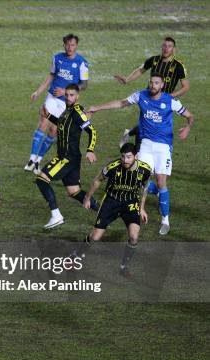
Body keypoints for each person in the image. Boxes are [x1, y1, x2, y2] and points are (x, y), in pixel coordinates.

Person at [87, 74, 194, 235]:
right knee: (137, 176)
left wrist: (187, 127)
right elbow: (121, 103)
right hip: (145, 144)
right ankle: (136, 204)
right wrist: (98, 107)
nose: (152, 85)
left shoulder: (170, 101)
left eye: (156, 83)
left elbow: (190, 116)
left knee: (160, 181)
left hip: (163, 146)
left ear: (162, 85)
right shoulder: (141, 95)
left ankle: (165, 219)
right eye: (151, 82)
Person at [77, 143, 152, 278]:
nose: (125, 160)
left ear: (136, 156)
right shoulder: (113, 167)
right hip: (111, 201)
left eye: (129, 157)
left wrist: (142, 208)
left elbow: (145, 187)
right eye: (123, 157)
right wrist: (87, 198)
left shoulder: (145, 170)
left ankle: (124, 267)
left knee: (134, 237)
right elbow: (97, 180)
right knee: (95, 236)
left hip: (130, 202)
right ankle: (75, 256)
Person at [35, 84, 99, 229]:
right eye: (67, 95)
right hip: (71, 158)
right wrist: (49, 116)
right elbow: (63, 124)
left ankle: (56, 215)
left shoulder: (77, 112)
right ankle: (103, 212)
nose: (69, 98)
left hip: (66, 158)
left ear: (77, 96)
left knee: (41, 179)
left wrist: (90, 150)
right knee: (74, 192)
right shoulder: (67, 110)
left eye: (72, 95)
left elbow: (92, 131)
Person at [26, 33, 90, 175]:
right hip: (52, 97)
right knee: (43, 122)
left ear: (76, 46)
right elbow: (51, 76)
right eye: (67, 44)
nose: (70, 47)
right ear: (64, 45)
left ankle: (38, 161)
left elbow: (84, 84)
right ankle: (31, 159)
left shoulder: (82, 63)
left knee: (54, 131)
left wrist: (66, 91)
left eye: (72, 45)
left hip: (66, 103)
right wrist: (38, 91)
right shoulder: (57, 58)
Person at [113, 37, 189, 148]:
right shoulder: (154, 60)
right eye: (164, 46)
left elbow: (185, 87)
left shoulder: (178, 66)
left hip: (164, 102)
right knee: (149, 123)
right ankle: (139, 151)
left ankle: (129, 134)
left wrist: (170, 96)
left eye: (169, 46)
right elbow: (140, 70)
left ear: (174, 49)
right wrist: (127, 79)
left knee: (153, 124)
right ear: (161, 47)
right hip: (150, 98)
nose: (166, 48)